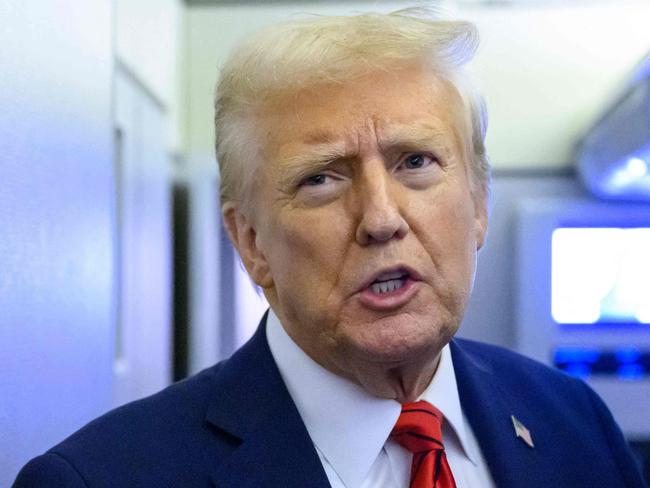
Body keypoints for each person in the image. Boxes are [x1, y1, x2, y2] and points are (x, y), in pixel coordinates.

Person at [14, 11, 646, 488]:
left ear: (479, 204)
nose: (380, 219)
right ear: (251, 243)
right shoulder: (99, 479)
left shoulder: (574, 423)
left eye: (416, 162)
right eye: (321, 178)